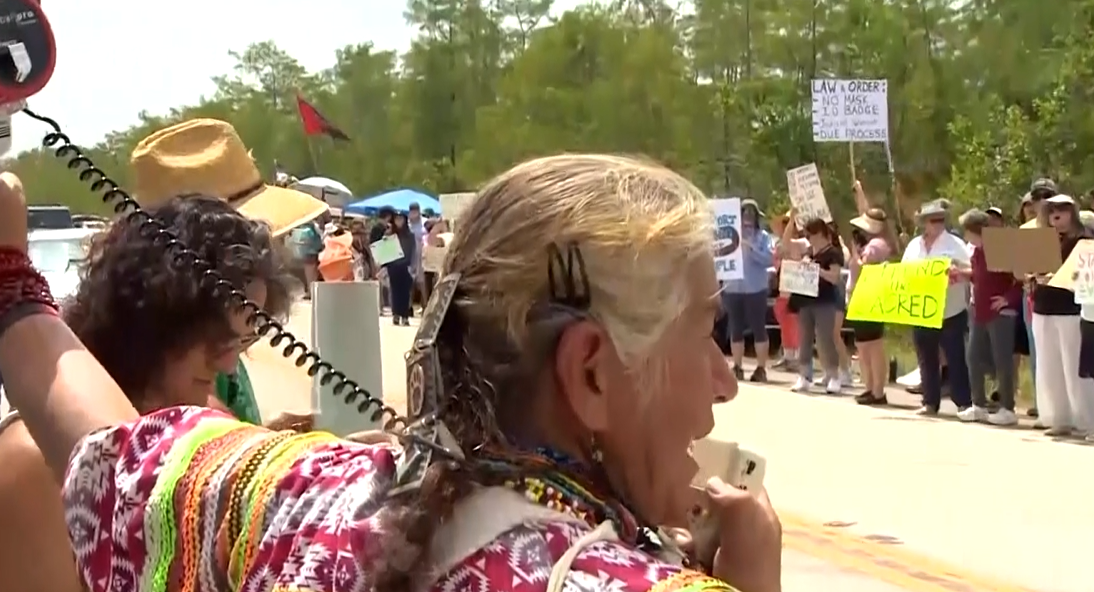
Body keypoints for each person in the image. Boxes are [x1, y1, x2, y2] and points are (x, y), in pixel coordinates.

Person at [0, 156, 781, 592]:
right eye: (704, 330)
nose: (724, 378)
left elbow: (112, 448)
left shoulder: (306, 492)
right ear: (590, 373)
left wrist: (12, 283)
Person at [0, 194, 295, 592]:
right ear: (156, 321)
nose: (228, 366)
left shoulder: (205, 415)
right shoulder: (33, 463)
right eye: (216, 342)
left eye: (241, 344)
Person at [1029, 194, 1094, 437]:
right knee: (1049, 365)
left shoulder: (1084, 238)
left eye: (1062, 209)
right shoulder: (1043, 239)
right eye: (1052, 210)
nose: (1056, 214)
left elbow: (1087, 277)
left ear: (1072, 212)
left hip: (1070, 309)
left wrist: (1057, 279)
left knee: (1074, 367)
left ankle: (1086, 419)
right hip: (1043, 306)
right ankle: (1059, 417)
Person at [902, 199, 973, 415]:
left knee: (956, 358)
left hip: (951, 310)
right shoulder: (914, 245)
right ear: (924, 222)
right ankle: (930, 401)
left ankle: (963, 402)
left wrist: (956, 272)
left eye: (941, 219)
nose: (937, 223)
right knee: (926, 357)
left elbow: (970, 270)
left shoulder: (956, 245)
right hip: (922, 311)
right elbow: (904, 272)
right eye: (933, 219)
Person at [957, 209, 1021, 426]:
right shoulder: (976, 252)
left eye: (967, 231)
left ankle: (1007, 408)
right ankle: (978, 405)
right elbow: (979, 276)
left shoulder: (1000, 250)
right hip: (978, 311)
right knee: (973, 356)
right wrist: (961, 275)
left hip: (999, 313)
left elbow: (1018, 279)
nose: (965, 236)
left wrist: (1007, 299)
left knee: (1002, 360)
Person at [786, 215, 845, 393]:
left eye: (810, 235)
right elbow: (787, 244)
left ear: (819, 233)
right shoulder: (809, 253)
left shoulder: (833, 253)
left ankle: (834, 375)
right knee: (804, 338)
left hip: (824, 301)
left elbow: (835, 277)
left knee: (825, 339)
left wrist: (817, 270)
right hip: (806, 300)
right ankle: (804, 375)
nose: (808, 239)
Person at [721, 198, 773, 382]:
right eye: (744, 213)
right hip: (733, 287)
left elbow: (769, 259)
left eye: (752, 213)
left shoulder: (763, 237)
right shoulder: (728, 234)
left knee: (759, 328)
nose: (748, 217)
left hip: (755, 288)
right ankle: (737, 366)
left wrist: (750, 248)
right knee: (735, 328)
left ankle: (761, 368)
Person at [847, 207, 892, 405]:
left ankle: (877, 390)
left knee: (873, 346)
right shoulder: (873, 244)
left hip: (870, 298)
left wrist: (855, 256)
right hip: (861, 299)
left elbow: (863, 268)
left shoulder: (876, 245)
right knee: (864, 346)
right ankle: (870, 387)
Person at [384, 212, 417, 326]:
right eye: (397, 219)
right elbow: (384, 252)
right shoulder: (389, 234)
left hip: (405, 266)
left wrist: (413, 267)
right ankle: (396, 314)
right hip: (393, 266)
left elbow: (414, 252)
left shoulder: (410, 235)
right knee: (395, 291)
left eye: (401, 219)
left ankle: (405, 315)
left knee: (405, 292)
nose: (399, 222)